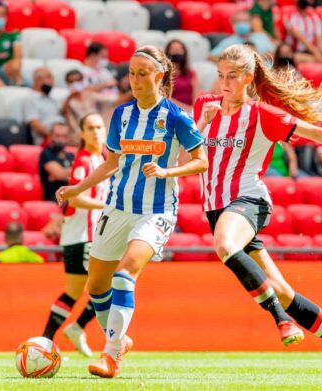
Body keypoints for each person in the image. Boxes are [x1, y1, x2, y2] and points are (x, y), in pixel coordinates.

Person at [192, 44, 322, 379]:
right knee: (282, 291)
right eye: (220, 75)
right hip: (216, 207)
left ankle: (281, 321)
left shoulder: (262, 115)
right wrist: (199, 124)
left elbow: (313, 132)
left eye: (232, 76)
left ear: (248, 78)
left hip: (247, 200)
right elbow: (186, 160)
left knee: (225, 245)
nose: (223, 83)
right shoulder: (204, 107)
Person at [55, 45, 207, 378]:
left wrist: (168, 172)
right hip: (117, 207)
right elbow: (111, 163)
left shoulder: (177, 117)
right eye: (131, 73)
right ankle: (119, 341)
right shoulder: (122, 115)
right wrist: (77, 188)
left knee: (124, 275)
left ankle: (110, 356)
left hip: (156, 210)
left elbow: (202, 161)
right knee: (96, 287)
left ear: (159, 75)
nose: (134, 80)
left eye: (141, 74)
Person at [42, 113, 110, 357]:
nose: (96, 132)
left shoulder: (100, 158)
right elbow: (74, 196)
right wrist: (105, 206)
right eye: (90, 128)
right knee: (109, 287)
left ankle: (45, 341)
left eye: (99, 127)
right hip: (85, 236)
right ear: (82, 133)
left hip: (81, 237)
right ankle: (80, 329)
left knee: (73, 291)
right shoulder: (83, 160)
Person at [22, 67, 65, 145]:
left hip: (64, 135)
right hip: (46, 139)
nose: (52, 81)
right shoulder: (30, 99)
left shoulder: (53, 99)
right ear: (37, 80)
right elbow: (34, 123)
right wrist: (54, 135)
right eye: (49, 77)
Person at [63, 69, 113, 135]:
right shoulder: (67, 101)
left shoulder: (90, 94)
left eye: (78, 80)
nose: (75, 83)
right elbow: (70, 121)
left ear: (82, 80)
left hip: (98, 126)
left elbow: (111, 100)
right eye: (71, 81)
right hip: (81, 131)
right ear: (67, 83)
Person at [210, 11, 276, 59]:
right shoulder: (227, 42)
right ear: (232, 23)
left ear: (250, 23)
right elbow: (211, 57)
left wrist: (261, 57)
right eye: (238, 21)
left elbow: (277, 53)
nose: (242, 23)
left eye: (245, 21)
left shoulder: (261, 37)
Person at [285, 0, 322, 64]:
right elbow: (301, 38)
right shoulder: (290, 15)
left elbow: (319, 37)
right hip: (295, 51)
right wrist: (315, 52)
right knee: (297, 57)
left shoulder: (313, 15)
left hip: (311, 52)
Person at [39, 123, 74, 202]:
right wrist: (72, 173)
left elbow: (82, 176)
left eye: (64, 136)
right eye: (57, 136)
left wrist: (63, 174)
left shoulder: (71, 155)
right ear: (50, 136)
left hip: (71, 195)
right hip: (54, 199)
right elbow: (59, 174)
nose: (61, 140)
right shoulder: (46, 153)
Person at [165, 40, 199, 112]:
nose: (177, 52)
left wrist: (194, 109)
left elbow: (196, 95)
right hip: (172, 110)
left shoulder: (191, 73)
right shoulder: (164, 74)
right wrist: (186, 108)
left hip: (190, 111)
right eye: (173, 49)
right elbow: (166, 97)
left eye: (179, 49)